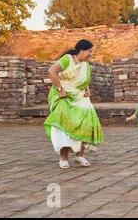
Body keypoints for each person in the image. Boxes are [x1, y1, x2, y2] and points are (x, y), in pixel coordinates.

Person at [44, 39, 104, 169]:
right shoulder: (67, 59)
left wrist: (87, 89)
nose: (91, 54)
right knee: (65, 128)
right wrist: (60, 90)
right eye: (89, 51)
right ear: (82, 50)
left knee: (86, 125)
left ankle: (80, 156)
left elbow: (84, 80)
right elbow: (51, 71)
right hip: (64, 97)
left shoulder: (85, 64)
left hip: (80, 97)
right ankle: (63, 158)